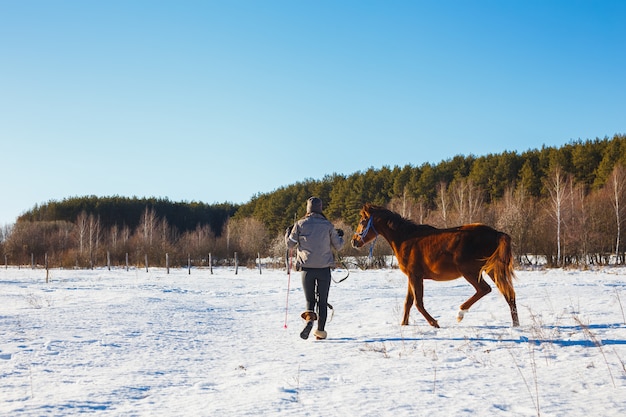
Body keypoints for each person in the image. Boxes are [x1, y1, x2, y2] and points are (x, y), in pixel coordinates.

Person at [285, 197, 344, 340]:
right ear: (320, 208)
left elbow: (290, 245)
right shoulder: (328, 225)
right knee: (322, 301)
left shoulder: (299, 224)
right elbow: (339, 246)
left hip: (307, 269)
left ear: (308, 209)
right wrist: (340, 236)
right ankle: (320, 333)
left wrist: (288, 233)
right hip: (324, 269)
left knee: (310, 300)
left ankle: (310, 320)